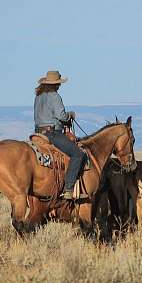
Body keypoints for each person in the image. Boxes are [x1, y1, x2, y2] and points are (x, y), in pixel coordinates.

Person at [34, 70, 87, 200]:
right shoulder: (54, 96)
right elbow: (61, 116)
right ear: (56, 84)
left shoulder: (38, 96)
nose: (59, 85)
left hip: (38, 133)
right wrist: (70, 115)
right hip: (52, 133)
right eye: (59, 83)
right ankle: (68, 189)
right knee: (78, 154)